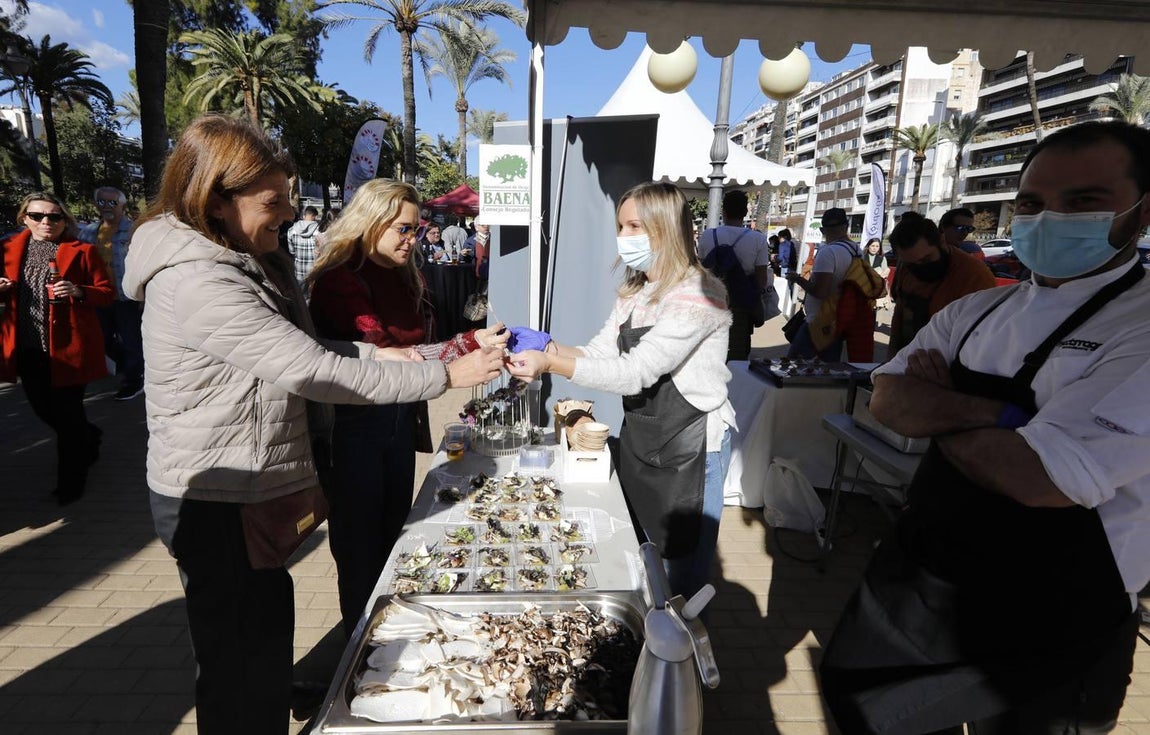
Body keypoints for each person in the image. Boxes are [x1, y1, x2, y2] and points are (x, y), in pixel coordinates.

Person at [121, 115, 502, 734]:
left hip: (247, 487)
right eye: (273, 203)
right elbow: (315, 370)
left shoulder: (240, 258)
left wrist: (421, 356)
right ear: (215, 199)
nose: (290, 215)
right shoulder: (201, 279)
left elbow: (325, 349)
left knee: (261, 647)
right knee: (239, 666)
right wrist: (444, 377)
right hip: (220, 497)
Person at [820, 121, 1150, 734]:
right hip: (933, 584)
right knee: (869, 712)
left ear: (1141, 209)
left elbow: (1036, 477)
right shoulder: (984, 307)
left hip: (1057, 621)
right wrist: (1000, 417)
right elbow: (889, 398)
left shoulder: (1141, 326)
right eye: (1031, 203)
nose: (1049, 218)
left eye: (1082, 202)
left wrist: (939, 403)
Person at [506, 181, 734, 601]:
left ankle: (684, 662)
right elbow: (598, 353)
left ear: (665, 228)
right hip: (646, 438)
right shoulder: (637, 292)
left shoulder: (699, 296)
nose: (624, 237)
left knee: (679, 580)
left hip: (692, 447)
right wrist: (547, 346)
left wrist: (551, 363)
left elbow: (635, 373)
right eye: (621, 226)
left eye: (635, 226)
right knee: (644, 558)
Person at [306, 179, 510, 637]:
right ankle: (360, 643)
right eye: (403, 229)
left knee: (394, 535)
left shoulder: (403, 273)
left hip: (397, 420)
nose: (411, 239)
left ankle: (388, 628)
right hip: (352, 428)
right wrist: (458, 359)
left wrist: (468, 341)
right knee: (360, 547)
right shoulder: (341, 279)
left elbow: (416, 355)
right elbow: (386, 364)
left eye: (415, 230)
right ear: (370, 221)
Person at [0, 192, 114, 504]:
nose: (46, 222)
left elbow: (106, 293)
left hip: (68, 349)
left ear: (65, 219)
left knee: (67, 417)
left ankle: (71, 483)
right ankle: (89, 436)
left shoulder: (82, 251)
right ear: (24, 218)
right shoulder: (8, 249)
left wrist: (78, 290)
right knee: (43, 410)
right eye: (37, 216)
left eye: (54, 216)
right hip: (27, 348)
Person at [887, 211, 997, 357]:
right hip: (905, 359)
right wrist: (891, 357)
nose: (919, 267)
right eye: (911, 264)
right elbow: (900, 314)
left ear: (941, 241)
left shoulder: (975, 275)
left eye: (926, 259)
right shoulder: (905, 267)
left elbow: (980, 339)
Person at [786, 208, 882, 361]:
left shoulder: (827, 252)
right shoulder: (855, 250)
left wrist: (797, 279)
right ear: (847, 226)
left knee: (792, 365)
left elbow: (820, 291)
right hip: (840, 316)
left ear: (823, 230)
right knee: (828, 368)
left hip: (819, 320)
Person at [78, 186, 144, 400]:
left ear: (122, 205)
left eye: (113, 203)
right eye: (102, 202)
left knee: (131, 339)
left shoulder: (135, 230)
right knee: (102, 338)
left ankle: (134, 379)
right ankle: (132, 368)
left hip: (127, 297)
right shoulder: (88, 232)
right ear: (96, 204)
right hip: (100, 295)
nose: (107, 207)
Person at [697, 190, 772, 361]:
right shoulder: (757, 239)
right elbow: (761, 281)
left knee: (708, 352)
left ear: (723, 210)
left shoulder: (709, 235)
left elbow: (700, 270)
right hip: (741, 306)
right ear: (746, 212)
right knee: (737, 356)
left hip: (711, 303)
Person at [286, 205, 320, 287]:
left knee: (301, 298)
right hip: (315, 272)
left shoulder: (291, 231)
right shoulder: (319, 231)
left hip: (299, 272)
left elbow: (292, 251)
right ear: (315, 216)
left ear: (304, 216)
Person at [864, 237, 891, 311]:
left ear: (879, 248)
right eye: (872, 246)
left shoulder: (882, 258)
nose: (874, 248)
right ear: (868, 246)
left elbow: (885, 271)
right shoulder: (862, 257)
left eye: (877, 246)